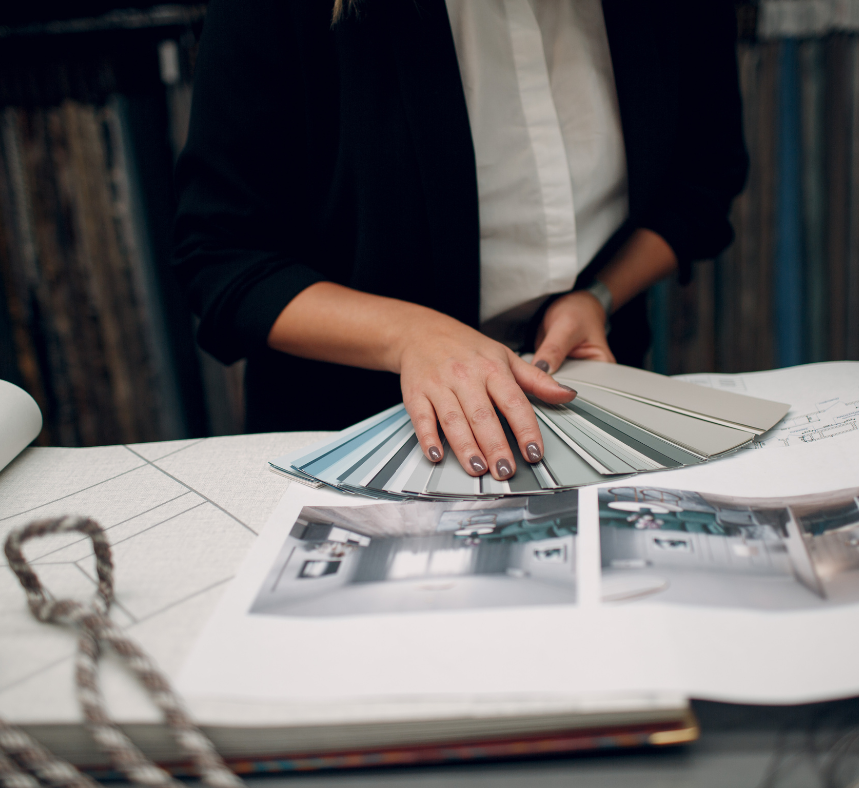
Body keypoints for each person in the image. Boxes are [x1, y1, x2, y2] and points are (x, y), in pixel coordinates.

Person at [173, 0, 748, 482]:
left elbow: (704, 177)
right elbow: (222, 257)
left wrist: (598, 294)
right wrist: (411, 336)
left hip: (585, 392)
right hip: (354, 432)